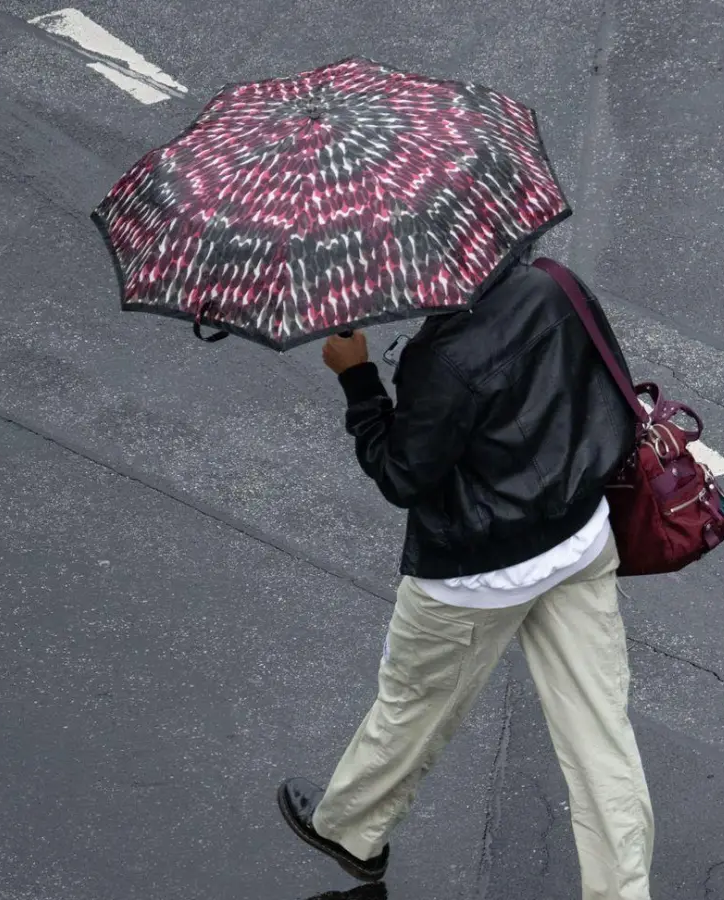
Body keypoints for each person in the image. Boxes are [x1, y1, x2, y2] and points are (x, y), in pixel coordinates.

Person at [277, 246, 653, 900]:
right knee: (601, 740)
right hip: (577, 540)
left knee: (414, 705)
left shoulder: (441, 358)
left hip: (474, 572)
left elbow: (402, 475)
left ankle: (351, 830)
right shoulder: (553, 285)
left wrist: (359, 378)